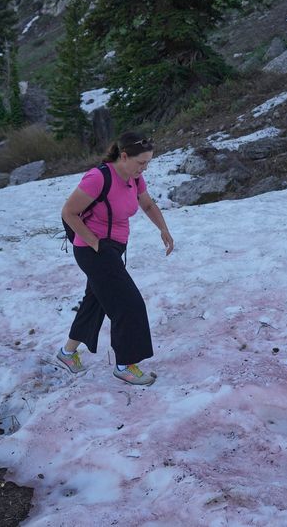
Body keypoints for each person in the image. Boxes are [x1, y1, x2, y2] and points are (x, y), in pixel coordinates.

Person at [58, 132, 174, 385]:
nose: (144, 168)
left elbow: (148, 205)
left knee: (96, 300)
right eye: (141, 163)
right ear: (124, 156)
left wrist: (163, 229)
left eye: (148, 163)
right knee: (128, 303)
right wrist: (96, 245)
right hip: (94, 250)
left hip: (113, 248)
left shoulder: (135, 178)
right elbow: (69, 212)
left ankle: (67, 352)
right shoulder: (98, 178)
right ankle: (125, 364)